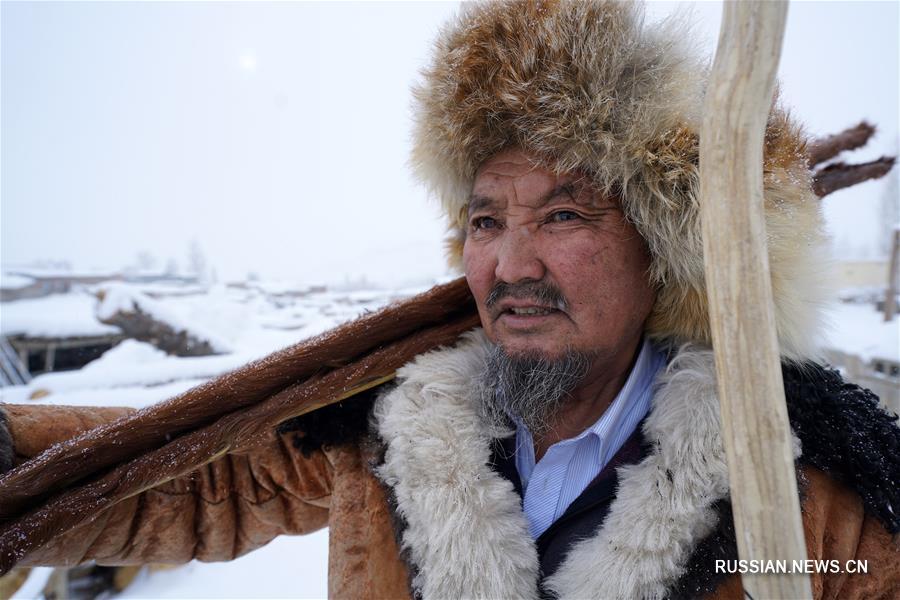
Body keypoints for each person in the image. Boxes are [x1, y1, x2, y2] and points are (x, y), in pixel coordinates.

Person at [2, 1, 898, 598]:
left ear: (658, 249)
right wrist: (13, 452)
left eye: (561, 213)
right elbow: (200, 484)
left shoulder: (798, 492)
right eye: (483, 220)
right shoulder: (381, 431)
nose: (509, 265)